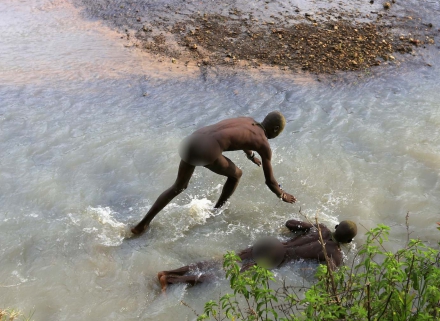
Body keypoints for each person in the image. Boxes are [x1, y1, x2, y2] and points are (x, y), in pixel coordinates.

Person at [131, 111, 297, 235]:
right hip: (206, 149)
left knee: (178, 186)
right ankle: (216, 211)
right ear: (275, 129)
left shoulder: (247, 120)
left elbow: (239, 135)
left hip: (191, 140)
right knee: (236, 174)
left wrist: (250, 155)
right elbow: (270, 181)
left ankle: (142, 225)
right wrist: (282, 194)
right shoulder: (264, 144)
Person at [157, 219, 357, 292]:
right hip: (277, 258)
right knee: (225, 276)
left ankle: (168, 272)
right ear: (348, 242)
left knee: (220, 261)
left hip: (271, 243)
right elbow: (327, 277)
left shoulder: (319, 227)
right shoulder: (336, 254)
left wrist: (304, 229)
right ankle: (172, 281)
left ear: (337, 225)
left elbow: (290, 223)